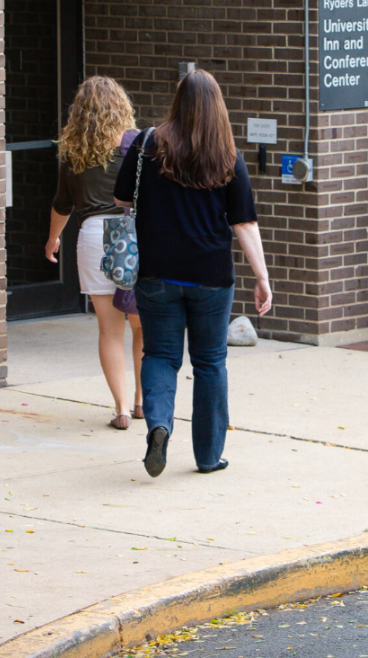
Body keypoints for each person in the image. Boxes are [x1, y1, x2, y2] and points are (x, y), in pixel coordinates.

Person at [114, 69, 271, 477]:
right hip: (210, 276)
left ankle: (160, 426)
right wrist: (263, 277)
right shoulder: (228, 157)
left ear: (178, 103)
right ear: (216, 107)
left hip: (156, 272)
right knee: (210, 362)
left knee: (161, 356)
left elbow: (119, 198)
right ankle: (207, 456)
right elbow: (244, 224)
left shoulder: (147, 144)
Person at [46, 76, 143, 427]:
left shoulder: (74, 150)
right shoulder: (136, 144)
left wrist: (52, 239)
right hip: (131, 238)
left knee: (108, 330)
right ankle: (140, 401)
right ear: (122, 105)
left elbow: (62, 204)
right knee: (141, 326)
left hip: (91, 237)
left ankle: (119, 409)